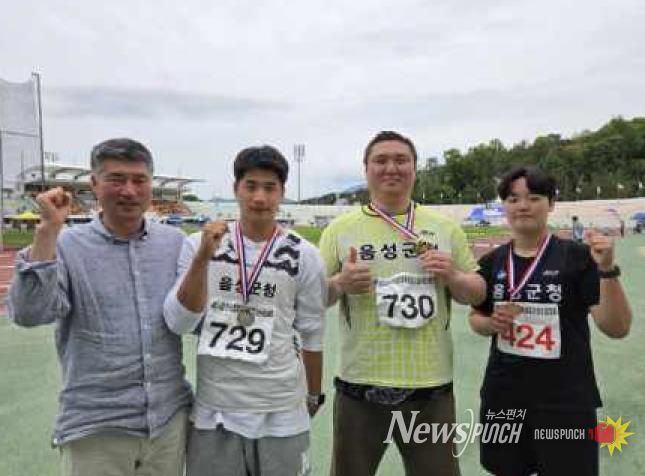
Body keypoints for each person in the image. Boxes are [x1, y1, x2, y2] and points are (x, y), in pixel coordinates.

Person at [8, 138, 191, 476]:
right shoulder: (67, 245)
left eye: (139, 180)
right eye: (116, 179)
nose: (129, 190)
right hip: (97, 425)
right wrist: (47, 231)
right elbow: (29, 313)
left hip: (168, 420)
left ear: (151, 184)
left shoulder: (175, 243)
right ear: (94, 184)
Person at [319, 130, 486, 476]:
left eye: (401, 160)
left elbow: (478, 292)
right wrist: (340, 283)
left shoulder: (444, 228)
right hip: (360, 383)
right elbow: (313, 298)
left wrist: (452, 275)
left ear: (414, 168)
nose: (391, 168)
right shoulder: (339, 229)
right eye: (381, 160)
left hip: (430, 385)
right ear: (366, 169)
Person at [164, 145, 326, 476]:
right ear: (235, 188)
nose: (259, 197)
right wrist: (203, 259)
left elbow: (312, 332)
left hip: (281, 411)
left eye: (270, 187)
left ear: (282, 193)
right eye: (250, 186)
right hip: (215, 411)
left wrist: (312, 396)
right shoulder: (198, 245)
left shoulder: (304, 254)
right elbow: (180, 323)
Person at [469, 166, 632, 476]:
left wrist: (607, 270)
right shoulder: (492, 262)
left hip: (566, 401)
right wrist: (490, 325)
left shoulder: (579, 258)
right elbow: (476, 317)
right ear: (504, 206)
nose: (523, 206)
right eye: (513, 199)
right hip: (503, 397)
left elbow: (617, 328)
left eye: (534, 197)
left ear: (551, 203)